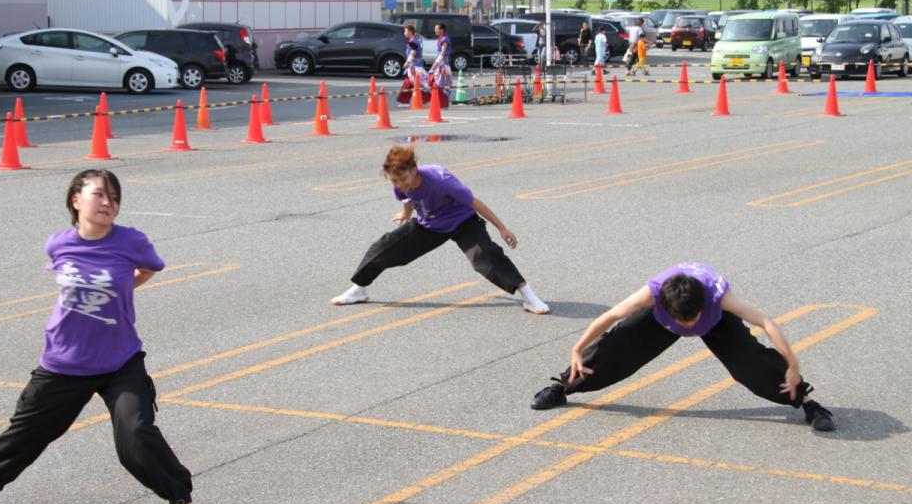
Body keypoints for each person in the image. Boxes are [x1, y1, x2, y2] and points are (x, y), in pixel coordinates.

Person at [0, 169, 208, 504]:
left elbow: (148, 268)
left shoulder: (131, 241)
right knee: (26, 432)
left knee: (135, 435)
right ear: (75, 200)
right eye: (99, 194)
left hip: (120, 360)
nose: (108, 203)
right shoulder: (59, 244)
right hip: (63, 362)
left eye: (114, 197)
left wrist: (120, 289)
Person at [527, 262, 836, 433]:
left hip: (716, 322)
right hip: (661, 321)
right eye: (682, 322)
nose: (688, 328)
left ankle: (809, 404)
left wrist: (793, 364)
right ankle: (562, 387)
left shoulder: (718, 296)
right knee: (615, 348)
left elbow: (766, 322)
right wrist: (576, 348)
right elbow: (611, 316)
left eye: (693, 321)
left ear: (705, 306)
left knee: (752, 365)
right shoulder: (653, 294)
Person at [330, 145, 550, 314]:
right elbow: (407, 199)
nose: (400, 185)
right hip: (430, 225)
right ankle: (359, 289)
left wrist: (503, 228)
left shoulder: (441, 180)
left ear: (414, 171)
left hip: (463, 221)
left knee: (485, 255)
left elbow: (475, 203)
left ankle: (528, 295)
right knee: (384, 247)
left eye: (403, 179)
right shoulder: (400, 186)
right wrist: (406, 215)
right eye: (394, 181)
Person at [396, 23, 429, 105]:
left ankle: (426, 97)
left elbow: (413, 53)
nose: (404, 33)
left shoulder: (413, 41)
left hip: (414, 66)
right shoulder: (416, 39)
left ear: (410, 32)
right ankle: (405, 100)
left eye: (405, 31)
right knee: (410, 83)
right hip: (415, 65)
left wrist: (407, 62)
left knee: (415, 83)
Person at [429, 22, 453, 105]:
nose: (435, 30)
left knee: (441, 83)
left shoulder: (444, 40)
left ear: (442, 30)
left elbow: (442, 53)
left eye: (437, 29)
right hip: (441, 63)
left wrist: (435, 63)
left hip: (443, 65)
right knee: (438, 82)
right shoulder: (441, 38)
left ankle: (441, 102)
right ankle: (440, 102)